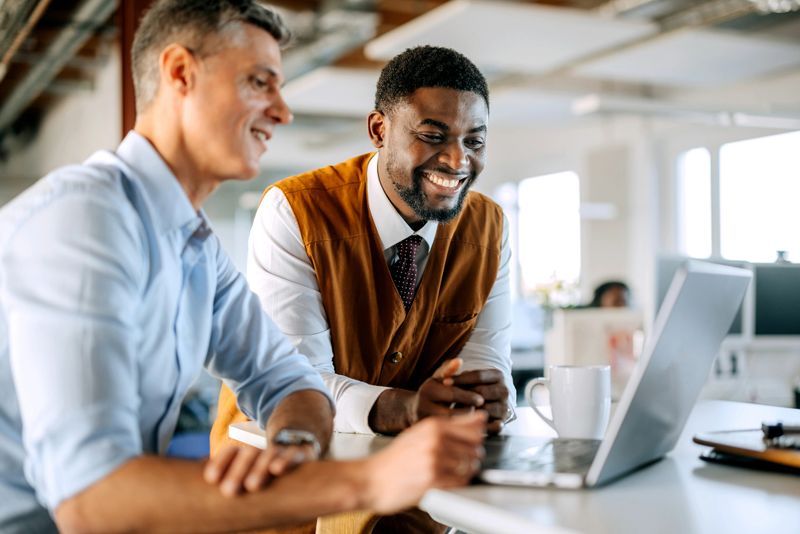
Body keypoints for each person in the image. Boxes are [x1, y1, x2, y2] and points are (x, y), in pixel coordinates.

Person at [0, 2, 486, 533]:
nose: (282, 111)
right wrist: (373, 480)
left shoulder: (193, 245)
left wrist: (292, 445)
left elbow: (294, 384)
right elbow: (92, 502)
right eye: (260, 83)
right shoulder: (84, 220)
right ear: (181, 74)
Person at [211, 45, 515, 532]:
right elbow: (295, 381)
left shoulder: (489, 227)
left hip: (402, 488)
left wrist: (488, 396)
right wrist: (407, 407)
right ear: (379, 130)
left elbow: (487, 357)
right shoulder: (294, 211)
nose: (458, 160)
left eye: (474, 141)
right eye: (433, 136)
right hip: (280, 480)